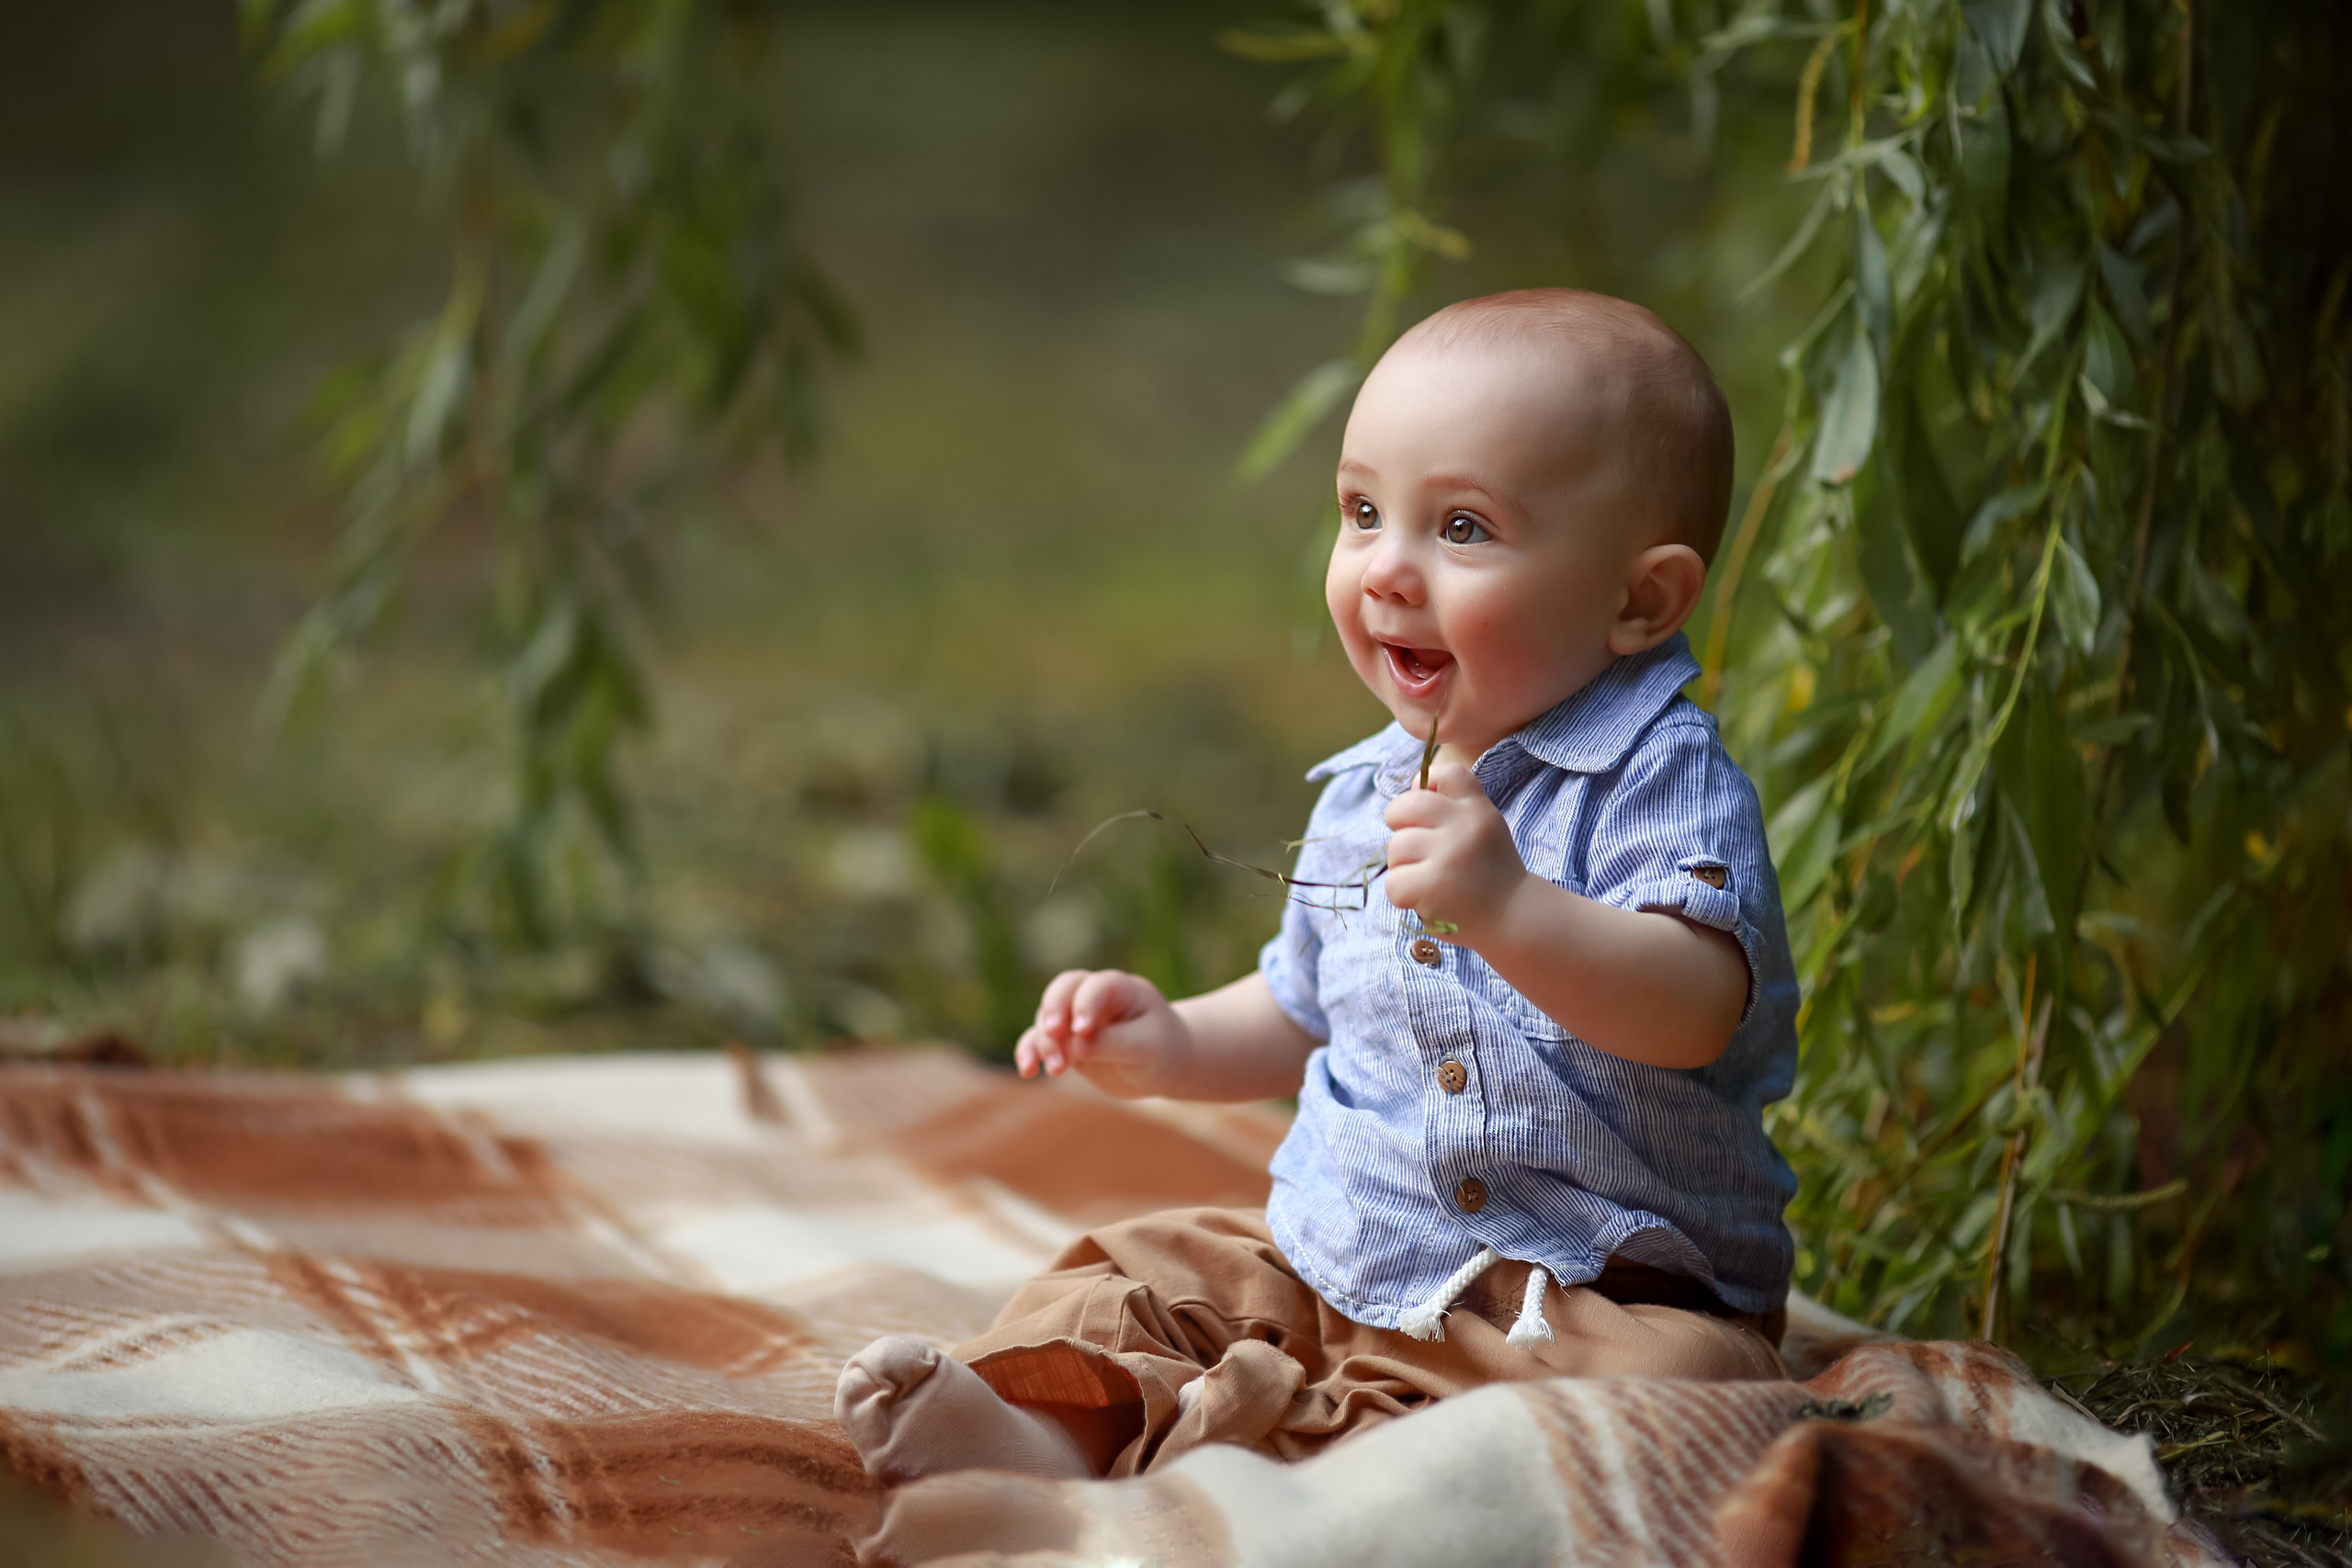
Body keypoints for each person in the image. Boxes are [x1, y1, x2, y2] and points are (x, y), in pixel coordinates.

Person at [835, 288, 1799, 1484]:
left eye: (1462, 528)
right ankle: (1030, 1435)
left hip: (1591, 1298)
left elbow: (1696, 1002)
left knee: (1693, 1400)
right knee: (1140, 1273)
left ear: (1638, 600)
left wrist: (1513, 909)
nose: (1387, 569)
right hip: (1354, 1253)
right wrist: (1171, 1043)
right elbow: (1305, 1004)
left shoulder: (1661, 779)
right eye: (1362, 512)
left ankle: (1314, 1456)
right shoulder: (1366, 791)